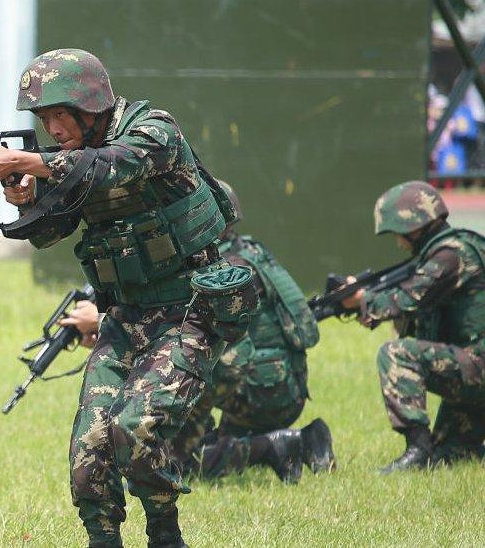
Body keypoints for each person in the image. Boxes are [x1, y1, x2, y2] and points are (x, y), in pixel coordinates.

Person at [0, 49, 253, 547]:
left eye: (60, 114)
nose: (53, 128)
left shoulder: (153, 130)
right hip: (125, 316)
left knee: (137, 429)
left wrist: (30, 162)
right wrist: (25, 196)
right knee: (90, 447)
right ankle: (102, 538)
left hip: (188, 312)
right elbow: (47, 232)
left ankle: (165, 535)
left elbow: (114, 166)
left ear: (91, 105)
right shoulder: (73, 162)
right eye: (44, 119)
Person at [62, 181, 335, 484]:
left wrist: (102, 323)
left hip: (260, 389)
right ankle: (280, 442)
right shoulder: (245, 253)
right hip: (274, 383)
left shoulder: (225, 270)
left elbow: (182, 330)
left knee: (174, 461)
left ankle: (280, 445)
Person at [341, 180, 485, 473]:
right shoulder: (450, 250)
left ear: (414, 226)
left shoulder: (451, 254)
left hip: (478, 365)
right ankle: (433, 452)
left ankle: (416, 449)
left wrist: (362, 299)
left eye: (399, 234)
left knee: (396, 353)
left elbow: (408, 298)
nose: (398, 242)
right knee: (450, 455)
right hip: (475, 364)